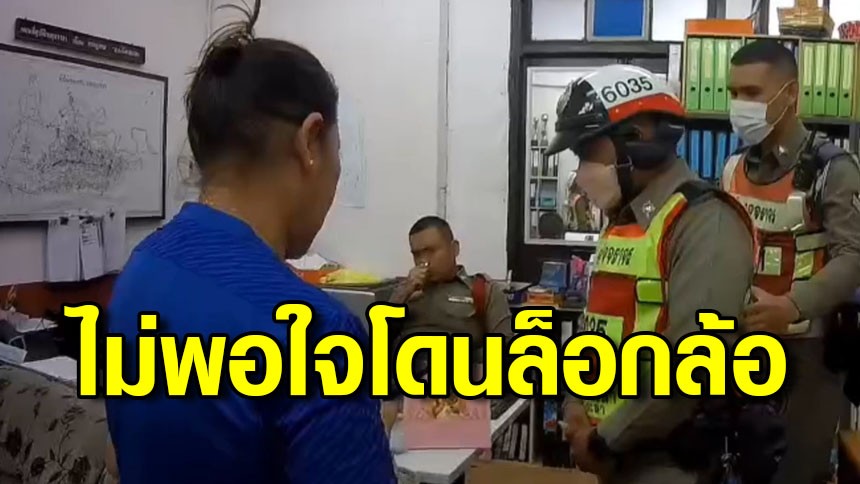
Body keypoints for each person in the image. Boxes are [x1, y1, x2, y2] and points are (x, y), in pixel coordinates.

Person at [104, 2, 395, 483]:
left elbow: (125, 456)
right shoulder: (318, 335)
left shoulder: (141, 270)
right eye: (337, 154)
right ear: (310, 142)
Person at [550, 65, 757, 483]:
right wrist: (574, 405)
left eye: (589, 150)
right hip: (610, 455)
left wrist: (602, 441)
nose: (583, 170)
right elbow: (597, 328)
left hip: (666, 463)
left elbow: (695, 362)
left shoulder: (704, 223)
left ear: (639, 139)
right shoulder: (623, 221)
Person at [724, 39, 860, 484]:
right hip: (741, 343)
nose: (739, 105)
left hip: (808, 352)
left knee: (797, 471)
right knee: (741, 464)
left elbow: (854, 256)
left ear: (791, 94)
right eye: (733, 93)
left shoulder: (832, 169)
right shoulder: (732, 169)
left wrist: (793, 305)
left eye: (752, 93)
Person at [389, 216, 512, 342]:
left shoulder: (483, 290)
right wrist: (402, 295)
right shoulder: (404, 292)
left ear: (454, 249)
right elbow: (381, 338)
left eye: (430, 251)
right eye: (417, 254)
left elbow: (504, 346)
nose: (423, 261)